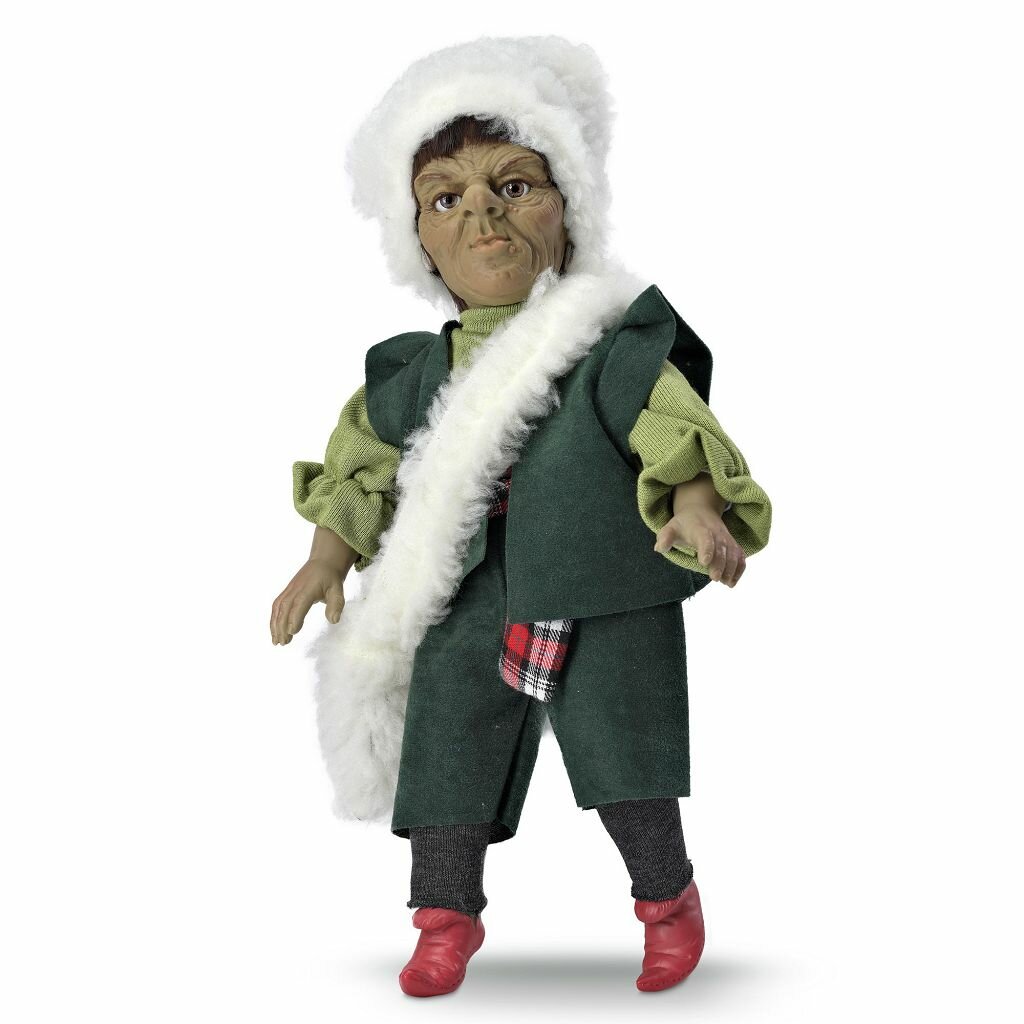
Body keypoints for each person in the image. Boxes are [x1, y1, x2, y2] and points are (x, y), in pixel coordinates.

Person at [270, 36, 772, 997]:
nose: (483, 215)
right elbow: (361, 461)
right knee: (445, 757)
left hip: (601, 582)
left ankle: (667, 901)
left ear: (567, 205)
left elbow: (674, 427)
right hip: (466, 590)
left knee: (628, 759)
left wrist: (697, 507)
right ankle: (444, 918)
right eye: (445, 199)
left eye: (514, 185)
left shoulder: (608, 348)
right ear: (419, 241)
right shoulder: (416, 373)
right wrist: (326, 558)